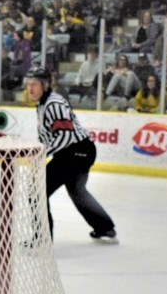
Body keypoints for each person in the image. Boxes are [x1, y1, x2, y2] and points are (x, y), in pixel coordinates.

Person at [24, 67, 117, 245]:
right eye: (28, 84)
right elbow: (50, 136)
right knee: (77, 190)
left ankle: (42, 238)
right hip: (78, 151)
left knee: (37, 192)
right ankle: (105, 227)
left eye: (34, 84)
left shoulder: (54, 104)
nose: (30, 88)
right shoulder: (44, 104)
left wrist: (41, 155)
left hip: (76, 151)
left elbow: (65, 136)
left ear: (44, 85)